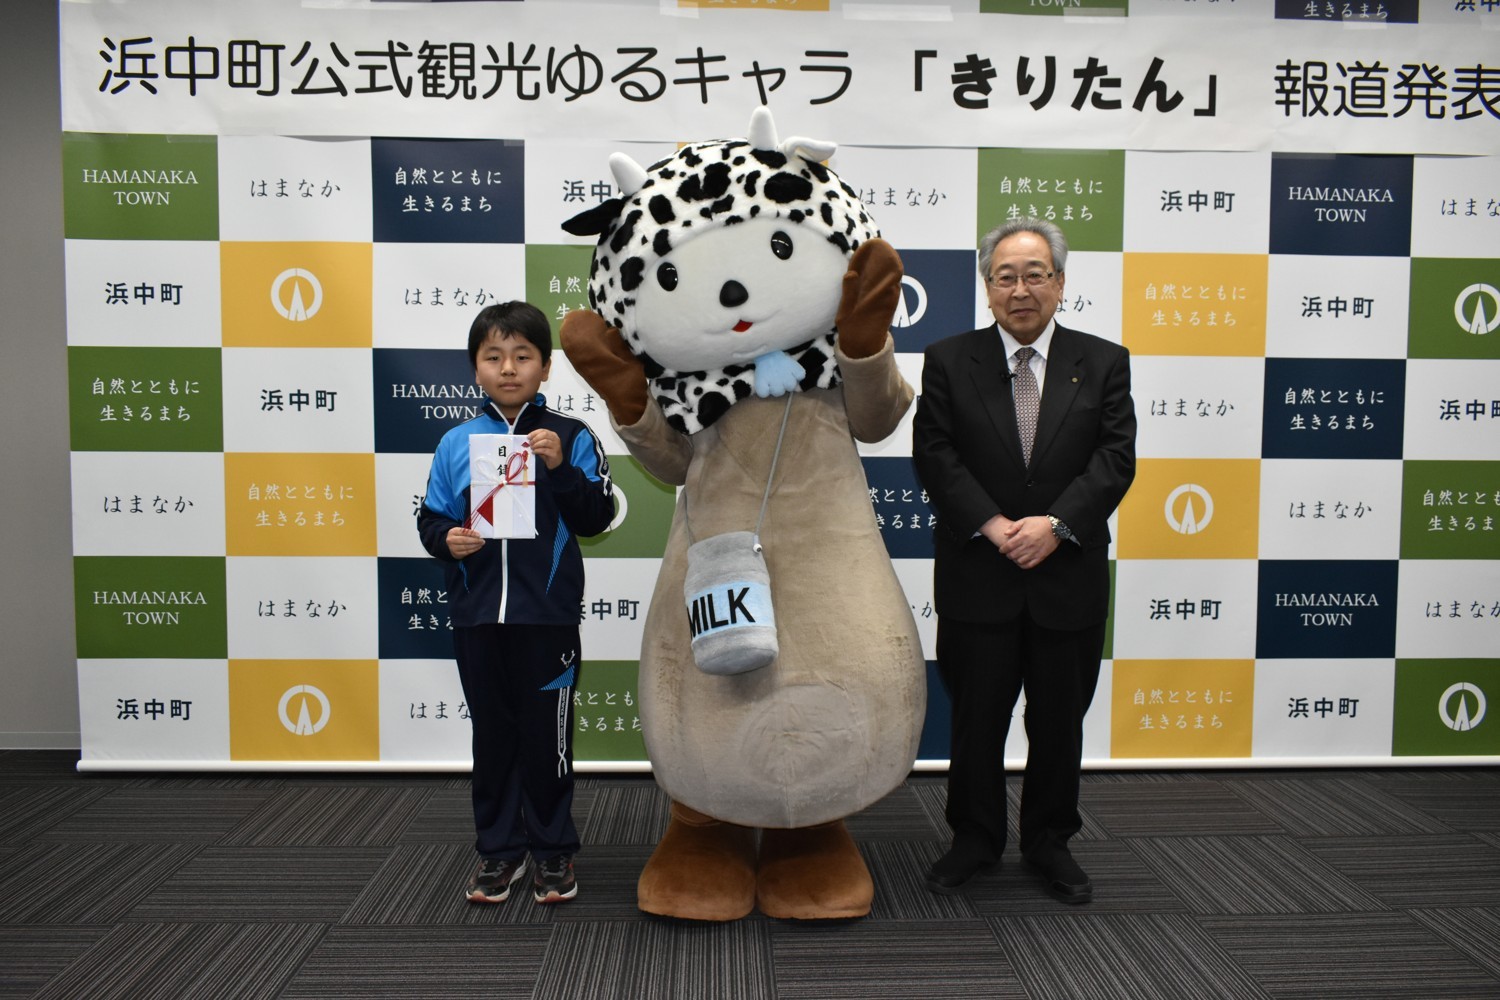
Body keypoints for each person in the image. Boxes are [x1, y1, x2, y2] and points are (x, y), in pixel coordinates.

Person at [912, 218, 1136, 904]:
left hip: (1067, 576)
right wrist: (993, 524)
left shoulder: (1104, 361)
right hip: (979, 572)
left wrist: (1056, 526)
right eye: (1005, 276)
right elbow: (935, 454)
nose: (1020, 290)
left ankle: (1049, 841)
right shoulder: (949, 359)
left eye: (1035, 275)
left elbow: (1115, 459)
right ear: (987, 287)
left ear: (1060, 284)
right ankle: (974, 838)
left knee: (1059, 722)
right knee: (976, 720)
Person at [417, 301, 616, 905]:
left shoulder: (572, 437)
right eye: (494, 357)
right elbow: (432, 517)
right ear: (475, 368)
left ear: (545, 367)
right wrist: (446, 540)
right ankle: (499, 852)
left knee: (547, 742)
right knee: (493, 739)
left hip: (546, 618)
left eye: (523, 356)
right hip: (477, 617)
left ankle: (553, 851)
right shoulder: (455, 442)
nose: (508, 368)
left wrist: (559, 469)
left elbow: (597, 516)